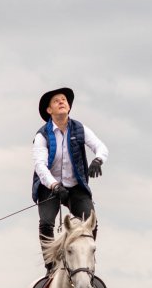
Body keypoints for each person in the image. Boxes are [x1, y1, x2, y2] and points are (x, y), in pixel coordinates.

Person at [32, 87, 108, 271]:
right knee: (46, 224)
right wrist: (54, 185)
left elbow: (100, 146)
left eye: (64, 99)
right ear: (49, 110)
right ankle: (50, 266)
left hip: (75, 187)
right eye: (56, 100)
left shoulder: (80, 129)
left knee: (92, 222)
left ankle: (86, 263)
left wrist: (98, 160)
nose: (61, 102)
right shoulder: (42, 135)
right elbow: (40, 166)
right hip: (50, 187)